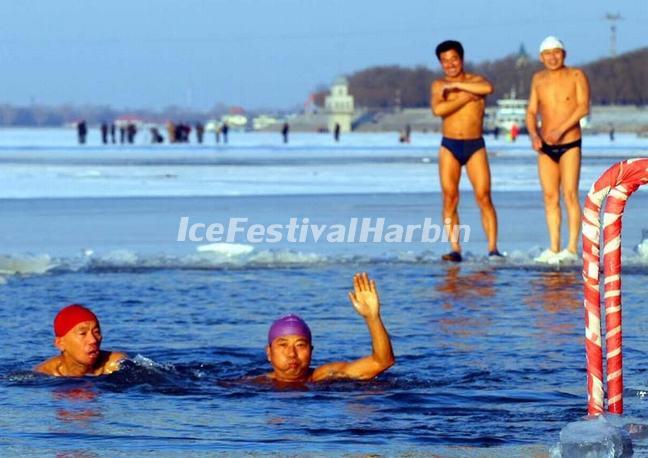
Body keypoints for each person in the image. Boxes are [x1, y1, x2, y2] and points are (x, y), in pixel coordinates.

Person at [430, 40, 502, 262]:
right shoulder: (439, 85)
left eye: (454, 59)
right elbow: (439, 109)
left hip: (475, 145)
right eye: (445, 61)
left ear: (461, 58)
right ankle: (455, 248)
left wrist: (458, 87)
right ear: (441, 63)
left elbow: (487, 89)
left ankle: (492, 248)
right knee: (450, 197)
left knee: (484, 196)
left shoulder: (475, 81)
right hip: (450, 145)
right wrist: (463, 98)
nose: (450, 64)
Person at [526, 36, 590, 264]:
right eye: (547, 54)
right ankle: (554, 247)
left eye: (557, 52)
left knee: (569, 194)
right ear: (541, 57)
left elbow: (583, 107)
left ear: (564, 53)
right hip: (545, 145)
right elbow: (532, 111)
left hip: (569, 142)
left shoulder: (575, 75)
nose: (552, 57)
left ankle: (572, 248)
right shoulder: (538, 79)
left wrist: (561, 130)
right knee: (550, 196)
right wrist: (534, 134)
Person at [264, 272, 394, 384]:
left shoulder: (327, 376)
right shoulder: (253, 384)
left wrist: (372, 317)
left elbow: (382, 362)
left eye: (300, 345)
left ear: (311, 350)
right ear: (269, 353)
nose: (292, 354)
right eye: (283, 345)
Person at [35, 304, 127, 377]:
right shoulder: (44, 374)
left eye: (96, 332)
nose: (93, 340)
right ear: (60, 343)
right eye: (83, 333)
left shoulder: (116, 365)